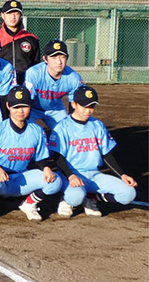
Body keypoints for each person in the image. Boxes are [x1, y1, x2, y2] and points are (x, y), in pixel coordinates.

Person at [48, 85, 137, 218]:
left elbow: (105, 154)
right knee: (75, 197)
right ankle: (67, 200)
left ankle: (90, 197)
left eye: (91, 106)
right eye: (84, 106)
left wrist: (122, 175)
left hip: (95, 175)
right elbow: (57, 156)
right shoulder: (62, 127)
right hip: (72, 175)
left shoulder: (97, 125)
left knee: (128, 193)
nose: (88, 111)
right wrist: (70, 175)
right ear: (74, 104)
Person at [0, 87, 63, 221]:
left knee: (55, 181)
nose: (20, 111)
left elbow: (41, 157)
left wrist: (46, 167)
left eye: (24, 106)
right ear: (8, 106)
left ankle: (29, 203)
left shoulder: (37, 131)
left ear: (30, 106)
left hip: (21, 179)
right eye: (16, 107)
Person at [24, 40, 84, 131]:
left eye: (62, 57)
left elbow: (74, 104)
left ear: (67, 58)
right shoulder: (34, 73)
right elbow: (27, 100)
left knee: (68, 132)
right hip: (33, 109)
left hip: (56, 109)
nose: (59, 62)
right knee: (27, 133)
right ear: (45, 59)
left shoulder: (73, 77)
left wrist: (72, 125)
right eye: (54, 57)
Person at [0, 0, 40, 85]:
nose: (13, 17)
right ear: (2, 15)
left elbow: (36, 65)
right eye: (9, 13)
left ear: (20, 15)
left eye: (16, 13)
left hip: (25, 83)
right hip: (1, 83)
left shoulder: (31, 39)